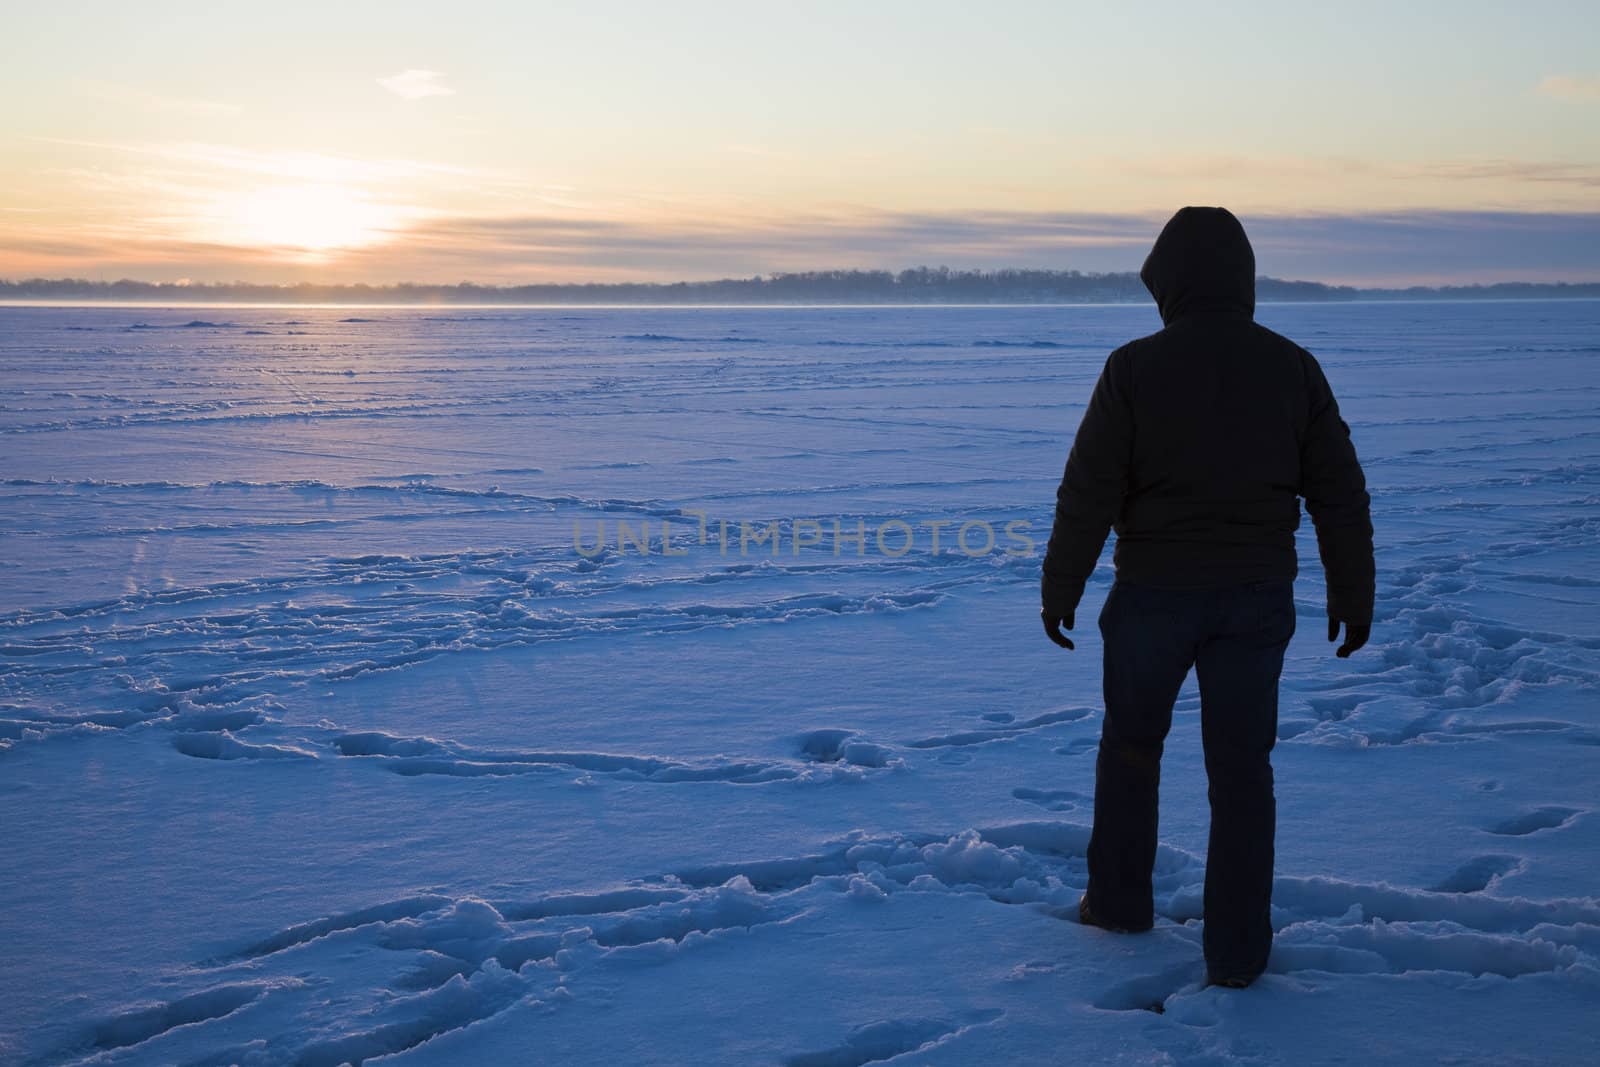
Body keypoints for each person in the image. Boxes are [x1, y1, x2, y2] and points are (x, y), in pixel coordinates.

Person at [1039, 206, 1375, 989]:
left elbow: (1087, 491)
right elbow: (1340, 495)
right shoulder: (1292, 366)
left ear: (1171, 283)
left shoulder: (1133, 367)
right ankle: (1237, 951)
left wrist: (1062, 585)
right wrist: (1353, 591)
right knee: (1241, 771)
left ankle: (1119, 905)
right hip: (1255, 601)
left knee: (1130, 749)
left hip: (1153, 596)